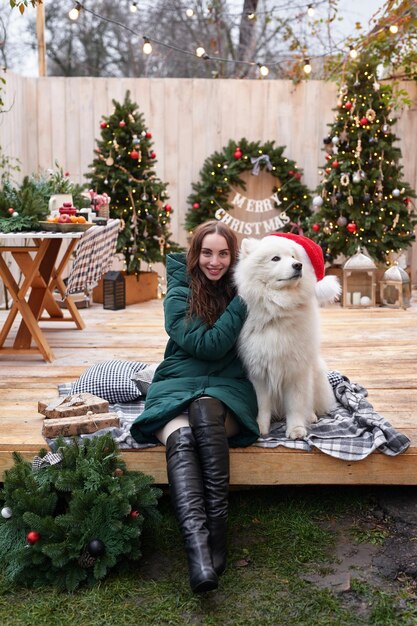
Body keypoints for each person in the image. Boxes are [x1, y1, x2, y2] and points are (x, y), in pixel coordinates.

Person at [130, 220, 260, 593]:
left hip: (228, 390)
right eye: (207, 253)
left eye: (223, 254)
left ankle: (217, 535)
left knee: (205, 409)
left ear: (233, 256)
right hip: (176, 383)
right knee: (182, 436)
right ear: (195, 254)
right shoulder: (179, 292)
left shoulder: (244, 283)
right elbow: (208, 346)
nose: (215, 262)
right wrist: (242, 300)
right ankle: (200, 556)